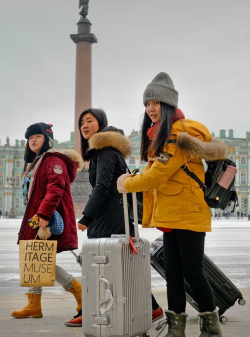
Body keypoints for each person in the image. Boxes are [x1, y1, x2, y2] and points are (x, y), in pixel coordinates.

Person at [117, 72, 229, 336]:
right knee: (174, 274)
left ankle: (211, 328)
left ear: (167, 105)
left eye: (155, 103)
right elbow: (157, 171)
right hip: (171, 213)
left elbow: (158, 175)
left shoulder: (178, 136)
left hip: (188, 213)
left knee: (193, 272)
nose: (150, 109)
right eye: (147, 104)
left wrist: (126, 184)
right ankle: (176, 328)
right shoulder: (162, 135)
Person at [76, 108, 164, 327]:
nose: (84, 126)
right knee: (124, 269)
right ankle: (152, 309)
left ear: (101, 124)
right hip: (116, 218)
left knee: (99, 267)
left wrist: (87, 216)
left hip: (110, 220)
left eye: (89, 121)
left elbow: (103, 187)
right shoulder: (107, 150)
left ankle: (91, 311)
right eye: (81, 123)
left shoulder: (104, 150)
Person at [12, 122, 84, 327]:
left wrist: (43, 214)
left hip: (45, 218)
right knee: (34, 258)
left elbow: (55, 188)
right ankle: (34, 304)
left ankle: (79, 292)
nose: (33, 140)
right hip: (36, 217)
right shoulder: (39, 161)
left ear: (47, 139)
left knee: (40, 259)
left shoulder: (52, 160)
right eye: (30, 137)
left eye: (38, 136)